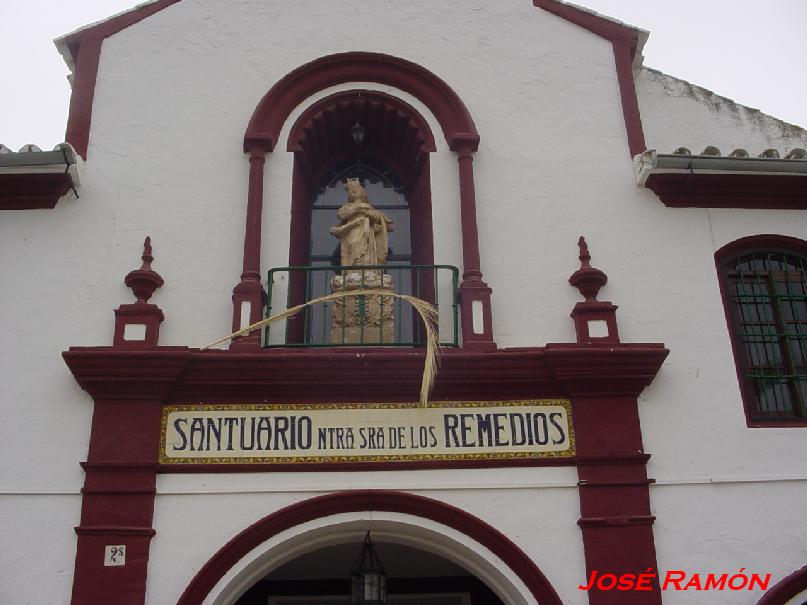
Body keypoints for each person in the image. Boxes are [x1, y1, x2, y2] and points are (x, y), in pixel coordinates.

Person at [329, 178, 395, 267]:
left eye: (356, 191)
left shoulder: (368, 207)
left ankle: (367, 269)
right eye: (352, 192)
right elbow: (341, 214)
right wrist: (358, 208)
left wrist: (365, 211)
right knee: (354, 247)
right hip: (353, 232)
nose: (354, 193)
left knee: (367, 250)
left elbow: (376, 217)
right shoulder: (347, 207)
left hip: (367, 233)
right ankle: (352, 270)